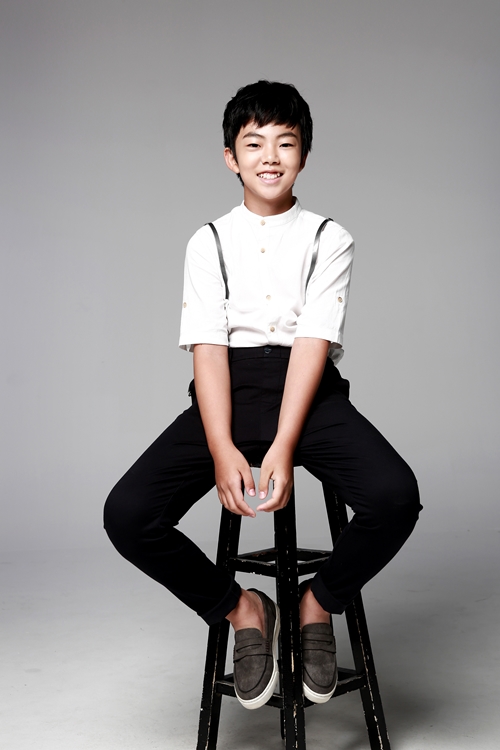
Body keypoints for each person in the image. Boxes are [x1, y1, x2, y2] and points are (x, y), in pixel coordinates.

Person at [104, 80, 421, 711]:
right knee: (129, 515)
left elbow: (312, 343)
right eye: (254, 143)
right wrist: (222, 446)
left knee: (395, 497)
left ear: (305, 154)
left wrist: (282, 444)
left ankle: (316, 603)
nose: (270, 156)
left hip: (310, 394)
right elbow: (207, 350)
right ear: (231, 157)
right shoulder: (209, 241)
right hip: (227, 390)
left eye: (285, 142)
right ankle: (244, 610)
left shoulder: (329, 236)